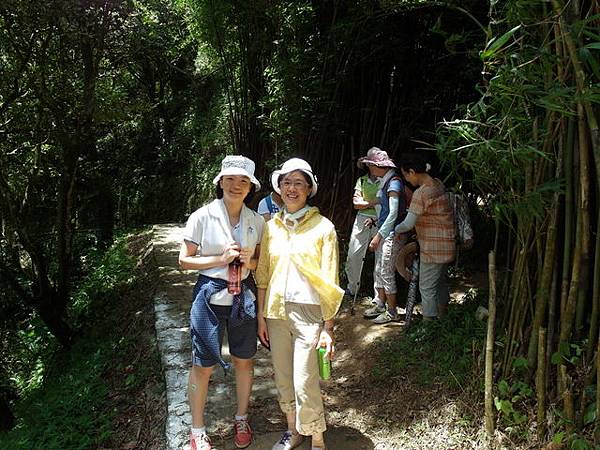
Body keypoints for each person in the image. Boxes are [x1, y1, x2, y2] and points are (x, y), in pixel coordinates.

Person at [255, 158, 344, 450]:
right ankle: (293, 430)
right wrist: (260, 316)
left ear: (309, 189)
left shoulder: (323, 228)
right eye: (286, 182)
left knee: (305, 379)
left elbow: (330, 279)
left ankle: (316, 436)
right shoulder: (271, 227)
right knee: (283, 376)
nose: (291, 188)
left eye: (298, 183)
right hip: (276, 312)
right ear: (279, 188)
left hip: (309, 313)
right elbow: (264, 273)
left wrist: (328, 327)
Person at [179, 155, 265, 450]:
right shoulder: (202, 216)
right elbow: (184, 260)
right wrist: (221, 259)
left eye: (243, 181)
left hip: (244, 294)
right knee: (202, 365)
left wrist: (248, 262)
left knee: (244, 360)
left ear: (250, 187)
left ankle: (241, 418)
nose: (236, 185)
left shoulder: (256, 220)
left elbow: (258, 261)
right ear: (220, 182)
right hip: (209, 295)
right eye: (230, 179)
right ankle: (197, 428)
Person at [394, 156, 456, 320]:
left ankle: (429, 325)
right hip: (447, 243)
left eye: (406, 175)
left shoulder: (421, 193)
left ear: (412, 172)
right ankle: (443, 317)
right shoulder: (437, 184)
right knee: (440, 283)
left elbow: (408, 224)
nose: (406, 179)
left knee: (427, 287)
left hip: (432, 247)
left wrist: (394, 229)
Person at [361, 147, 409, 324]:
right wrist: (375, 221)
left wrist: (378, 235)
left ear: (376, 165)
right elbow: (387, 211)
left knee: (386, 271)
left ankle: (392, 311)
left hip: (392, 234)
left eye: (370, 165)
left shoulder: (393, 183)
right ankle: (381, 304)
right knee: (380, 269)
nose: (369, 169)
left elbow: (394, 213)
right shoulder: (387, 181)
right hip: (386, 232)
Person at [344, 162, 380, 299]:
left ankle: (379, 295)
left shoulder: (385, 181)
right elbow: (356, 204)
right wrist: (375, 201)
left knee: (381, 257)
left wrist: (366, 203)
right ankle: (353, 288)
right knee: (354, 254)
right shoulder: (362, 180)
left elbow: (385, 202)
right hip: (362, 219)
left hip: (381, 218)